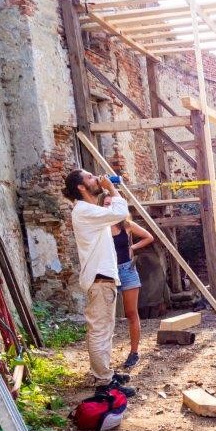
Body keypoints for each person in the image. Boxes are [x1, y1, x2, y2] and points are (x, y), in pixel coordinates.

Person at [61, 170, 135, 397]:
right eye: (90, 177)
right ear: (81, 187)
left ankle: (105, 372)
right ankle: (104, 382)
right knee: (100, 331)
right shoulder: (84, 210)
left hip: (103, 279)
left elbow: (115, 214)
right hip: (100, 280)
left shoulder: (91, 210)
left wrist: (107, 191)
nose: (96, 179)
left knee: (105, 330)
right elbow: (121, 212)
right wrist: (111, 188)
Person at [98, 193, 154, 369]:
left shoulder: (126, 224)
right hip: (108, 272)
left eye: (111, 204)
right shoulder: (99, 226)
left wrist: (133, 247)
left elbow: (149, 236)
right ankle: (103, 358)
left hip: (127, 270)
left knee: (131, 313)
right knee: (106, 317)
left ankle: (134, 352)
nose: (109, 207)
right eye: (105, 204)